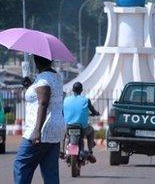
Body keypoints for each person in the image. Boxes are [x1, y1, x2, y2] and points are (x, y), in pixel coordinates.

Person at [14, 55, 65, 184]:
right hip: (55, 130)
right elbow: (46, 96)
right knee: (50, 171)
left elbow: (43, 103)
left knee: (21, 165)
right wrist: (31, 85)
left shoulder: (44, 79)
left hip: (41, 130)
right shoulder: (56, 77)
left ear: (36, 62)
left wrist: (37, 130)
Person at [63, 82, 100, 163]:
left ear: (72, 90)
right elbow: (93, 110)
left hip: (69, 126)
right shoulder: (86, 100)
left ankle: (65, 151)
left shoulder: (66, 99)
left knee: (67, 137)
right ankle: (90, 151)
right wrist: (95, 113)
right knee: (91, 131)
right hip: (82, 127)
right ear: (82, 90)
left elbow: (62, 111)